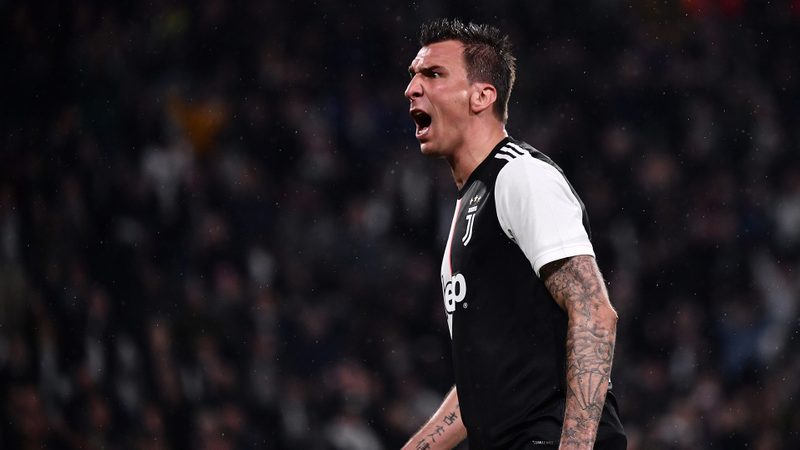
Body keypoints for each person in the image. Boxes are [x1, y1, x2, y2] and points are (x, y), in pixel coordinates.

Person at [400, 19, 626, 450]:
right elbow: (485, 384)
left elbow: (594, 312)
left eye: (433, 74)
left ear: (482, 96)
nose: (412, 88)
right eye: (412, 76)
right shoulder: (471, 201)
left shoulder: (521, 175)